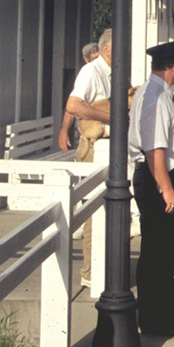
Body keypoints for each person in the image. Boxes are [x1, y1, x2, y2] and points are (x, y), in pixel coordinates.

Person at [129, 39, 174, 338]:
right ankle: (153, 319)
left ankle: (169, 306)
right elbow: (155, 149)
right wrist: (166, 189)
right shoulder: (155, 99)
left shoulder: (157, 93)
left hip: (160, 176)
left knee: (167, 247)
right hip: (156, 177)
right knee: (156, 251)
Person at [62, 29, 113, 288]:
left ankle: (102, 268)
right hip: (93, 148)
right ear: (105, 50)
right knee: (95, 213)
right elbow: (73, 105)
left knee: (110, 211)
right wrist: (108, 117)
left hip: (108, 148)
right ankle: (90, 274)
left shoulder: (112, 73)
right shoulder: (91, 72)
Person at [58, 41, 102, 153]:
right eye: (95, 58)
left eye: (100, 57)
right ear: (87, 60)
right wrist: (64, 131)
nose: (98, 62)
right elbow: (72, 107)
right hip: (93, 136)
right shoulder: (88, 72)